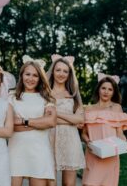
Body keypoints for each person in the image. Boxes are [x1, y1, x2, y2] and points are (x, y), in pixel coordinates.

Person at [9, 55, 57, 186]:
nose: (30, 78)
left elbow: (50, 122)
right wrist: (39, 123)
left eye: (35, 75)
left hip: (39, 150)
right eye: (27, 74)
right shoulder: (11, 97)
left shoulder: (47, 99)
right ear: (21, 75)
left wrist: (23, 121)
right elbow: (10, 125)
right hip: (15, 150)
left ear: (40, 78)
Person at [82, 73, 127, 186]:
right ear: (98, 89)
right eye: (103, 88)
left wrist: (124, 145)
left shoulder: (116, 108)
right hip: (93, 154)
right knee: (89, 183)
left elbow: (119, 133)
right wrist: (88, 142)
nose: (106, 92)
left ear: (113, 92)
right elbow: (83, 133)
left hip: (110, 155)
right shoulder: (89, 109)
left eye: (110, 89)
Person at [46, 54, 85, 186]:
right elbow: (45, 119)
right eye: (58, 70)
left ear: (69, 74)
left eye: (65, 71)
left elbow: (80, 119)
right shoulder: (45, 93)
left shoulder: (74, 94)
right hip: (48, 138)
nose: (61, 74)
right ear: (53, 71)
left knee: (69, 184)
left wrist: (56, 114)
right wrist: (72, 121)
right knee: (50, 182)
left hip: (70, 141)